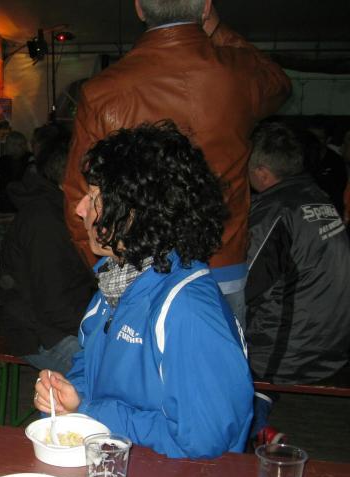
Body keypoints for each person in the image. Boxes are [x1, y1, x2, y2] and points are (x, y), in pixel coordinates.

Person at [0, 122, 254, 477]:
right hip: (114, 474)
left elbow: (205, 441)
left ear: (135, 211)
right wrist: (70, 393)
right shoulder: (117, 283)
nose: (80, 208)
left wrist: (90, 410)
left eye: (94, 197)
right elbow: (90, 366)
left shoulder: (187, 309)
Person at [62, 0, 291, 328]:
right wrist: (217, 29)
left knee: (139, 359)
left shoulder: (102, 91)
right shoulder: (239, 73)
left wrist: (107, 269)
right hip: (222, 260)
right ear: (206, 6)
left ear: (139, 8)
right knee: (217, 358)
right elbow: (279, 84)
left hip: (141, 267)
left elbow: (78, 198)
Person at [245, 121, 350, 386]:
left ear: (262, 173)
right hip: (331, 348)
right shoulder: (316, 196)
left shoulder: (274, 214)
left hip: (287, 358)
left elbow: (242, 287)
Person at [0, 123, 96, 374]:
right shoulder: (45, 220)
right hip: (41, 336)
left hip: (57, 324)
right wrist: (102, 327)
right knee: (115, 372)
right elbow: (54, 308)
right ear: (71, 178)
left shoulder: (60, 210)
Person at [0, 130, 31, 212]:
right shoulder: (2, 161)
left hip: (23, 199)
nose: (23, 147)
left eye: (23, 144)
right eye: (20, 145)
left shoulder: (29, 160)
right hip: (8, 199)